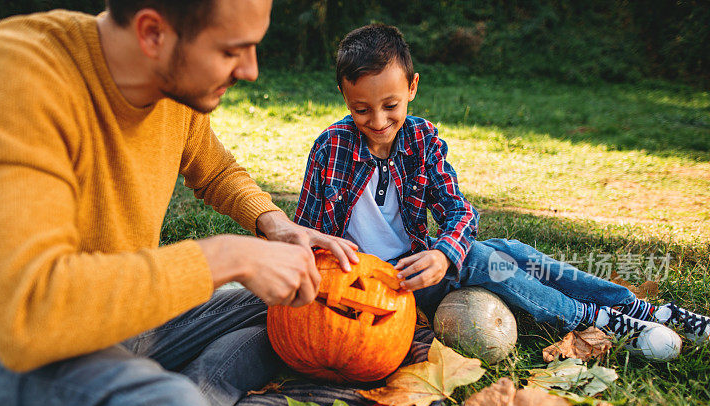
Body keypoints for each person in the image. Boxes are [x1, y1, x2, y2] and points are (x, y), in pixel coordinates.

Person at [0, 1, 359, 406]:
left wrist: (272, 225)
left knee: (288, 306)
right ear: (152, 33)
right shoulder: (17, 71)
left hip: (119, 322)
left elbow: (212, 167)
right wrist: (225, 255)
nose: (251, 70)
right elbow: (28, 315)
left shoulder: (173, 89)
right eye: (231, 50)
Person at [295, 23, 710, 362]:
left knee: (509, 250)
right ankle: (590, 317)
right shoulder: (331, 147)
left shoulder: (422, 139)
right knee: (478, 256)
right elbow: (306, 231)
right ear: (344, 98)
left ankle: (639, 309)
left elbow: (460, 213)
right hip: (369, 284)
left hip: (420, 265)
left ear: (412, 88)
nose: (379, 120)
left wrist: (442, 254)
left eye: (390, 105)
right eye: (361, 109)